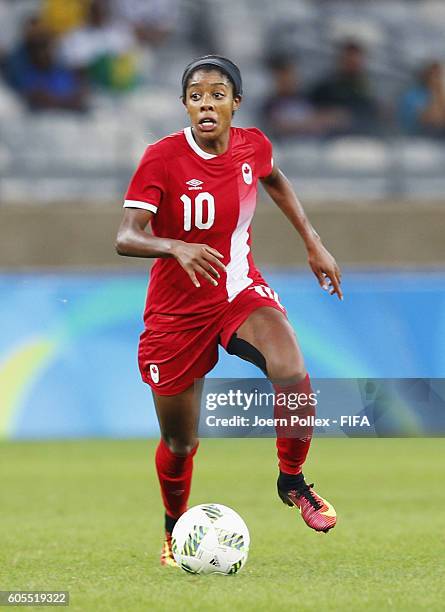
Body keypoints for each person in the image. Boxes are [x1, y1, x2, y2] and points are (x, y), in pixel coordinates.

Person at [115, 55, 342, 567]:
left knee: (291, 370)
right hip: (176, 316)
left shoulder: (252, 145)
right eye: (196, 96)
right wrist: (175, 246)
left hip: (237, 292)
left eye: (217, 94)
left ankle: (293, 481)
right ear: (186, 106)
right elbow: (126, 236)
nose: (206, 103)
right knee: (180, 442)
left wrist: (314, 242)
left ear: (235, 103)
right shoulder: (162, 158)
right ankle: (174, 531)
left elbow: (275, 178)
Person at [3, 16, 88, 112]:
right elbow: (37, 97)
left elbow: (80, 95)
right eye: (39, 47)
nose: (44, 52)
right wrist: (65, 102)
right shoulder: (26, 72)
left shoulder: (62, 71)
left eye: (46, 46)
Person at [262, 54, 348, 140]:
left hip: (315, 145)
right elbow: (278, 126)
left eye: (292, 75)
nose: (289, 80)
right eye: (284, 77)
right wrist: (309, 123)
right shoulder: (270, 103)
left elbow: (337, 117)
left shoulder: (306, 98)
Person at [309, 40, 379, 135]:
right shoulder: (325, 88)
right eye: (349, 59)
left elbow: (372, 117)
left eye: (356, 59)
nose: (353, 62)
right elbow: (309, 113)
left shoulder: (368, 90)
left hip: (362, 139)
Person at [399, 61, 445, 138]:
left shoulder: (438, 93)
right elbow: (422, 118)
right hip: (417, 137)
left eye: (438, 76)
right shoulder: (414, 94)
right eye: (434, 76)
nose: (437, 79)